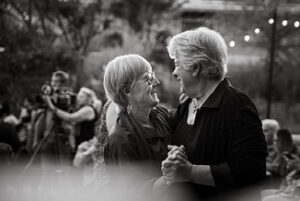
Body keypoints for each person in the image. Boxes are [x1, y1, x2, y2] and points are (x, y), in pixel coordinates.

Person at [161, 27, 268, 200]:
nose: (174, 72)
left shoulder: (237, 105)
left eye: (177, 64)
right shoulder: (187, 104)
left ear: (196, 67)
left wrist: (191, 172)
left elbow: (251, 170)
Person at [103, 54, 173, 197]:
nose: (157, 82)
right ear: (127, 90)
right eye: (148, 78)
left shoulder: (163, 116)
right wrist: (170, 177)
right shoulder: (120, 140)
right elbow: (132, 193)